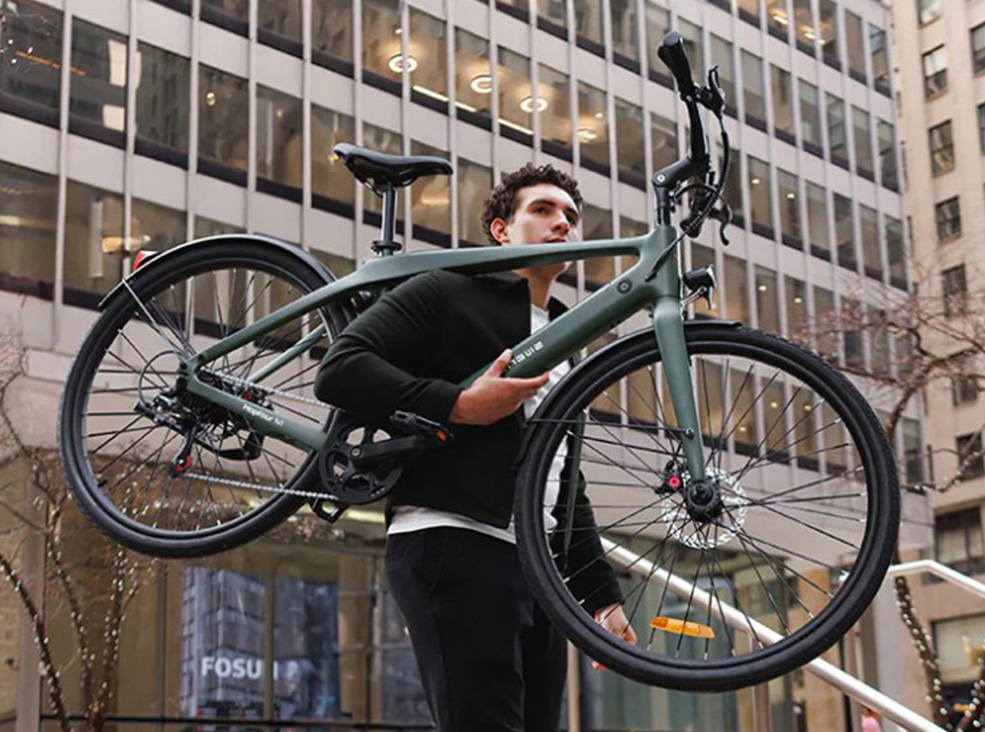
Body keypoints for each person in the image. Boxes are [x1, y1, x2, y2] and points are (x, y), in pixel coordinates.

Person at [315, 163, 636, 732]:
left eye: (570, 216)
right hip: (454, 538)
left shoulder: (568, 336)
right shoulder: (449, 290)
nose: (562, 223)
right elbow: (341, 369)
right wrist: (459, 404)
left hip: (538, 569)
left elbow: (563, 478)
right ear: (501, 230)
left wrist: (602, 597)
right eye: (542, 210)